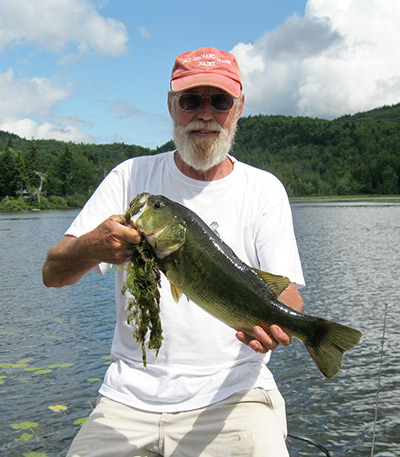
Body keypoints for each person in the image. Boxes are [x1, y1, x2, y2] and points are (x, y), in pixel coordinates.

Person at [43, 47, 305, 457]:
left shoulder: (263, 189)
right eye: (190, 100)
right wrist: (93, 245)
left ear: (238, 108)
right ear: (171, 105)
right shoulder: (130, 176)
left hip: (236, 392)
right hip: (128, 396)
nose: (204, 113)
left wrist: (281, 327)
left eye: (219, 101)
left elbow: (288, 294)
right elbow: (53, 272)